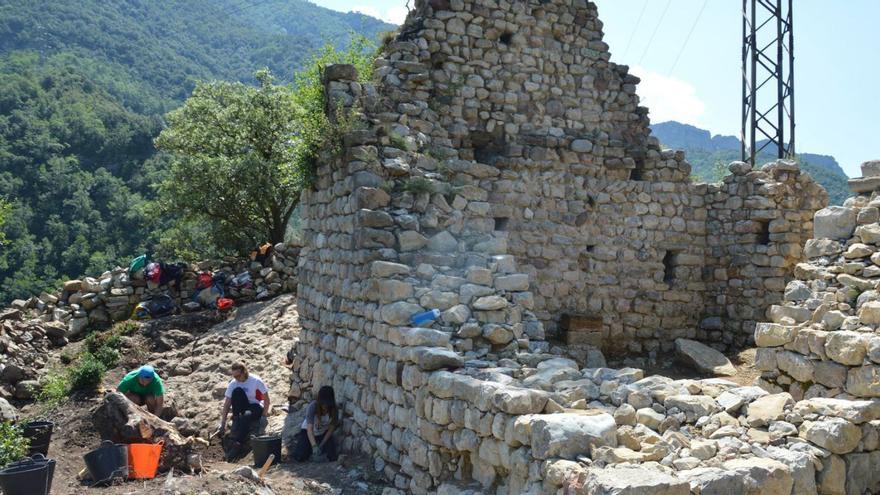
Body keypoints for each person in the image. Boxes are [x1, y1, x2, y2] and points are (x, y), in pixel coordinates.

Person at [218, 362, 270, 460]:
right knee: (237, 391)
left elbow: (266, 399)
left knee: (246, 415)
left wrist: (264, 415)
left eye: (238, 376)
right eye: (234, 376)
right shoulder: (234, 383)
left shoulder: (256, 380)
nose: (236, 378)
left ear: (244, 372)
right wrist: (223, 422)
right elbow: (227, 404)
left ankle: (238, 443)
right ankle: (237, 421)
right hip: (242, 406)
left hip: (255, 405)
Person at [291, 385, 338, 462]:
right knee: (300, 457)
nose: (325, 406)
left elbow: (331, 429)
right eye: (323, 403)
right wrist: (314, 446)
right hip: (308, 432)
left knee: (332, 457)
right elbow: (309, 429)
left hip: (323, 433)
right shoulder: (313, 406)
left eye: (327, 403)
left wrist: (322, 444)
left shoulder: (334, 410)